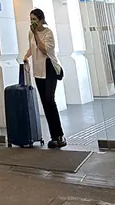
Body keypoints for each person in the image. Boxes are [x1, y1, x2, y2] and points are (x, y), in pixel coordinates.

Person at [23, 8, 67, 149]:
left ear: (41, 20)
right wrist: (26, 56)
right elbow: (32, 47)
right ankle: (54, 137)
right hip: (38, 71)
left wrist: (36, 33)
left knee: (49, 100)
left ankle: (59, 135)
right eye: (31, 19)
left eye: (35, 19)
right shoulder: (30, 33)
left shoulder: (48, 33)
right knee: (45, 103)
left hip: (49, 68)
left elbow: (44, 50)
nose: (32, 22)